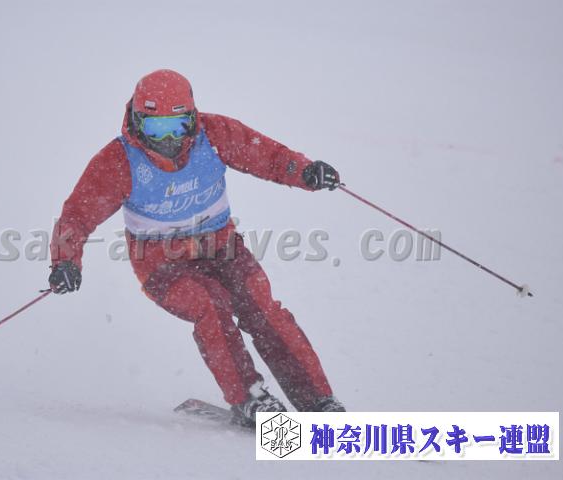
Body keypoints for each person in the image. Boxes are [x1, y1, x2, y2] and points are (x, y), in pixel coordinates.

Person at [48, 69, 344, 425]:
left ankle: (318, 401)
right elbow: (77, 215)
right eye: (155, 128)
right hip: (161, 265)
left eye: (176, 126)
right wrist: (65, 261)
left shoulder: (214, 134)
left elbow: (267, 156)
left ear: (191, 119)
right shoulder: (118, 161)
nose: (167, 139)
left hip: (221, 247)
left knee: (259, 303)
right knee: (209, 304)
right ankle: (250, 399)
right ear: (137, 122)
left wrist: (305, 171)